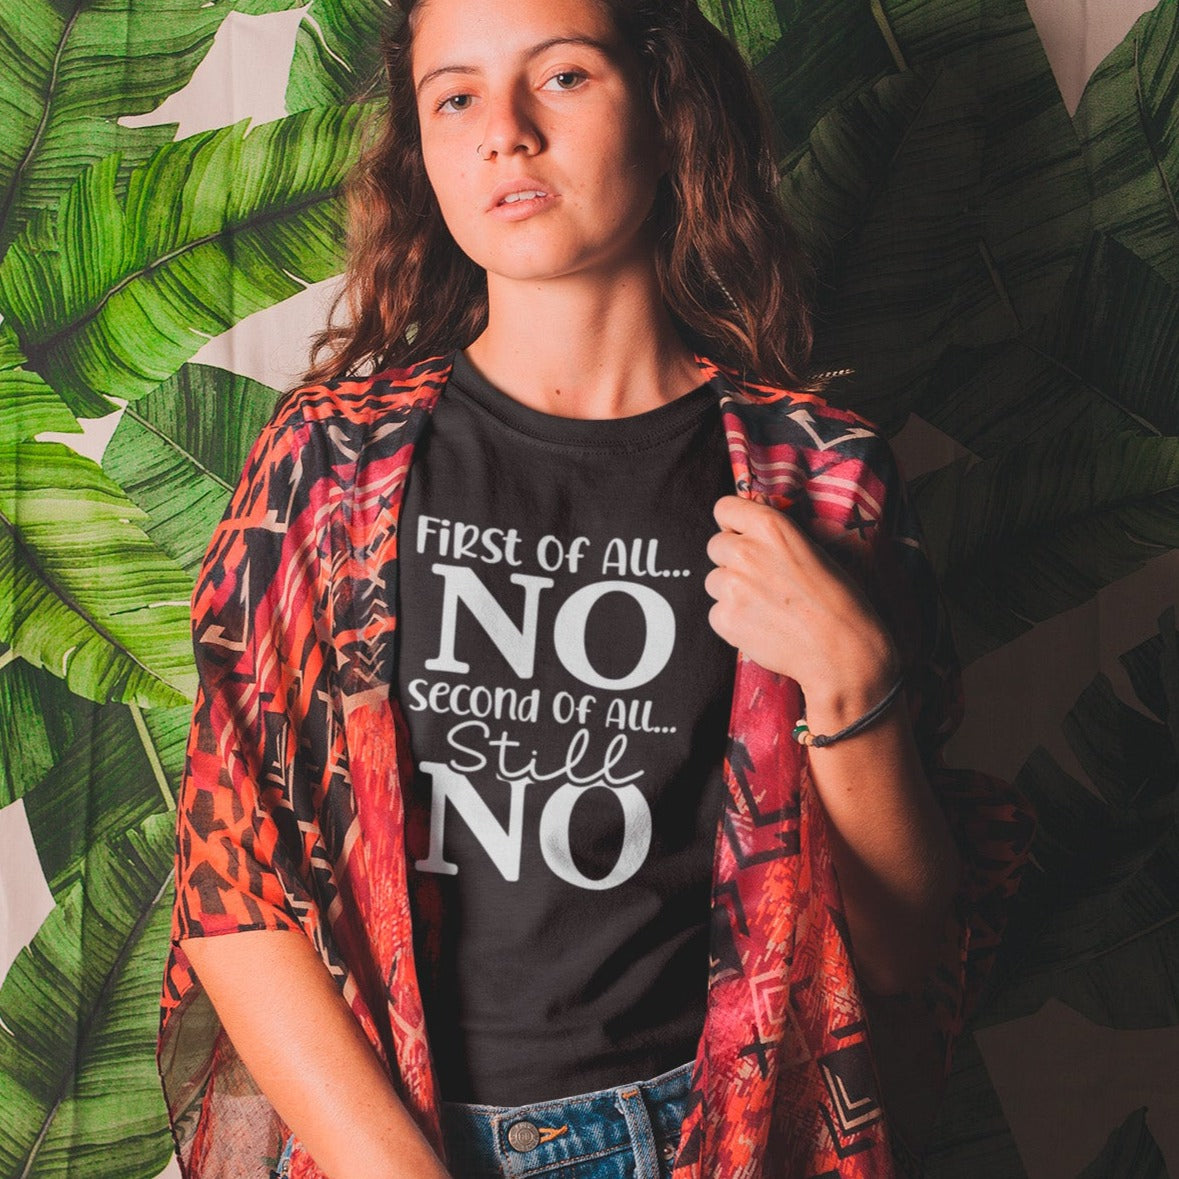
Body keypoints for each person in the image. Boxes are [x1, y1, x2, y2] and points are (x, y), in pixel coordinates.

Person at [156, 0, 1034, 1176]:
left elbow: (900, 950)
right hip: (397, 1139)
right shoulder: (333, 469)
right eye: (455, 96)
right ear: (422, 151)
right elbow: (232, 886)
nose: (504, 132)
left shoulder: (812, 475)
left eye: (561, 78)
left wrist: (854, 676)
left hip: (717, 1136)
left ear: (663, 105)